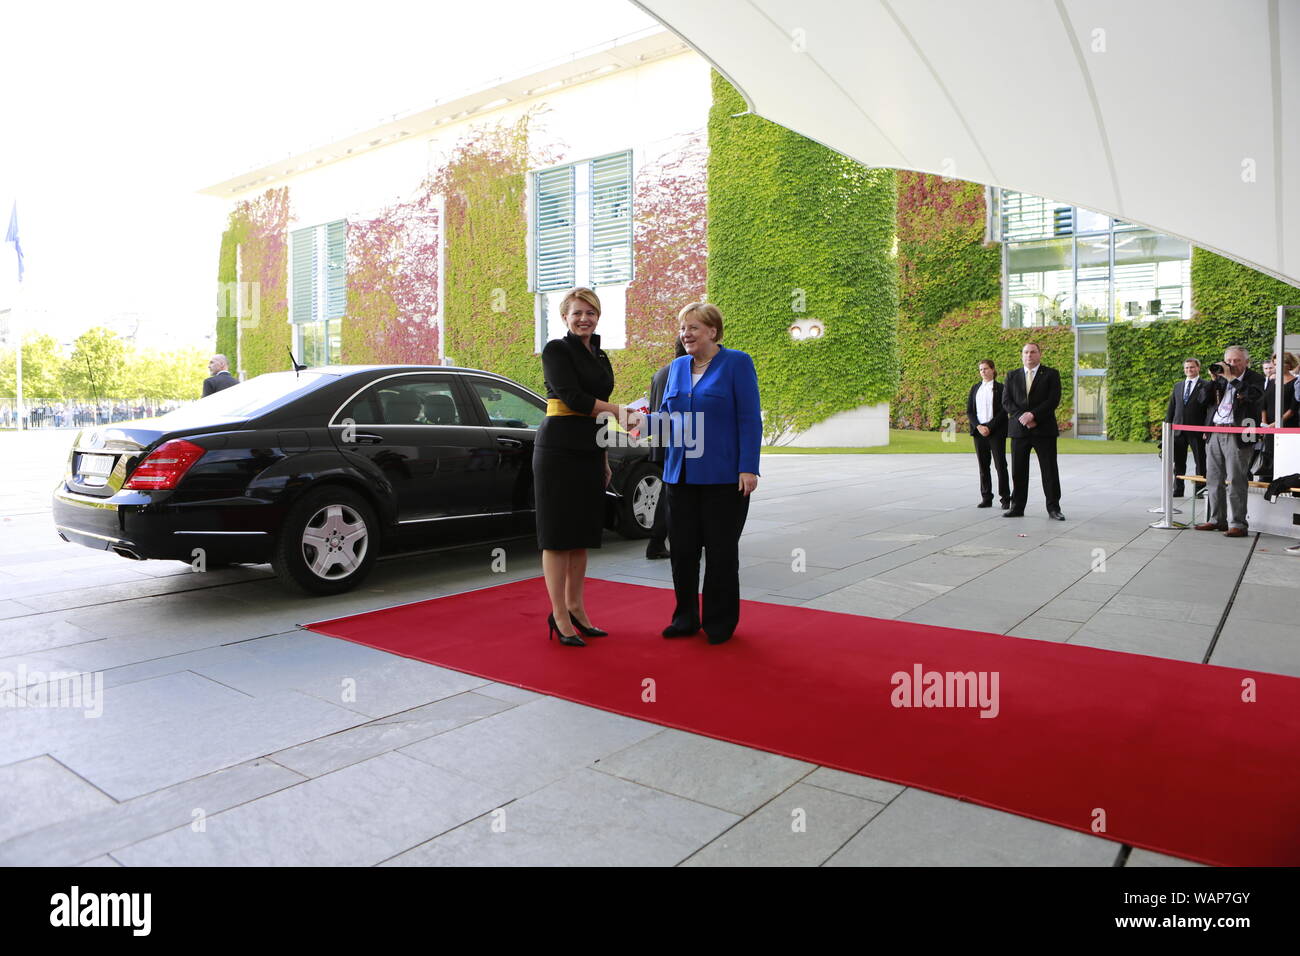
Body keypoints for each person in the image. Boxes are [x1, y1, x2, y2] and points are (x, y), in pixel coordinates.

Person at [644, 302, 761, 645]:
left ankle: (719, 623)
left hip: (724, 477)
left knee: (722, 552)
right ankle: (684, 618)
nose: (686, 334)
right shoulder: (677, 367)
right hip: (679, 476)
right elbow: (667, 418)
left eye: (693, 328)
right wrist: (637, 421)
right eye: (683, 328)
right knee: (682, 551)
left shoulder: (737, 363)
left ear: (713, 331)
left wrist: (748, 467)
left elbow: (749, 419)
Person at [534, 287, 635, 647]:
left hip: (590, 448)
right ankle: (558, 614)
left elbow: (598, 407)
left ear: (598, 316)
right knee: (559, 535)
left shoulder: (601, 355)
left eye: (590, 313)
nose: (583, 319)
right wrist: (620, 412)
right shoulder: (556, 350)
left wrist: (604, 457)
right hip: (558, 447)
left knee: (581, 535)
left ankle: (577, 607)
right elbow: (574, 399)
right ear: (565, 316)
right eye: (577, 313)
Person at [1195, 345, 1265, 537]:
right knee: (1213, 478)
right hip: (1215, 431)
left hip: (1238, 434)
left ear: (1246, 362)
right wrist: (1212, 380)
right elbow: (1201, 400)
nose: (1232, 364)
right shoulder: (1219, 380)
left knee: (1236, 479)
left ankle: (1239, 524)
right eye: (1229, 361)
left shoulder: (1256, 379)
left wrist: (1232, 379)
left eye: (1237, 361)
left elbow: (1254, 397)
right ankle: (1216, 520)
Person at [1001, 342, 1064, 520]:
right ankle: (1017, 507)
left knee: (1049, 470)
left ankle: (1054, 508)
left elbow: (1053, 400)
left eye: (1033, 352)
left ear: (1039, 354)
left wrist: (1033, 415)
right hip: (1019, 430)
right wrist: (1023, 416)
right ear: (1022, 355)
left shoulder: (1051, 374)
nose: (1029, 355)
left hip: (1043, 429)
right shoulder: (1012, 375)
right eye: (1026, 352)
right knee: (1018, 471)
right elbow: (1006, 402)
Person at [644, 339, 688, 559]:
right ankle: (659, 541)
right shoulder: (685, 374)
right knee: (672, 496)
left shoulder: (660, 373)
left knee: (667, 493)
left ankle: (658, 541)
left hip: (660, 440)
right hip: (678, 441)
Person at [966, 358, 1009, 509]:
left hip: (995, 431)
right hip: (979, 432)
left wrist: (989, 427)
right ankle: (986, 497)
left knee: (1000, 465)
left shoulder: (1001, 388)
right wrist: (978, 426)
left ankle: (1005, 498)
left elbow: (1004, 411)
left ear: (992, 369)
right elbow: (970, 411)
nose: (983, 372)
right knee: (983, 466)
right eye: (980, 369)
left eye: (985, 369)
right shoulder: (975, 388)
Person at [1165, 358, 1211, 498]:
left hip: (1197, 430)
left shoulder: (1206, 385)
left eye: (1191, 367)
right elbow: (1172, 407)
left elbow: (1209, 409)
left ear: (1198, 368)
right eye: (1186, 368)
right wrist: (1168, 426)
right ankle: (1178, 489)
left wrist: (1206, 429)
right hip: (1178, 430)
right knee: (1179, 462)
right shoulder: (1178, 386)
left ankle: (1200, 490)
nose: (1189, 370)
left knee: (1200, 461)